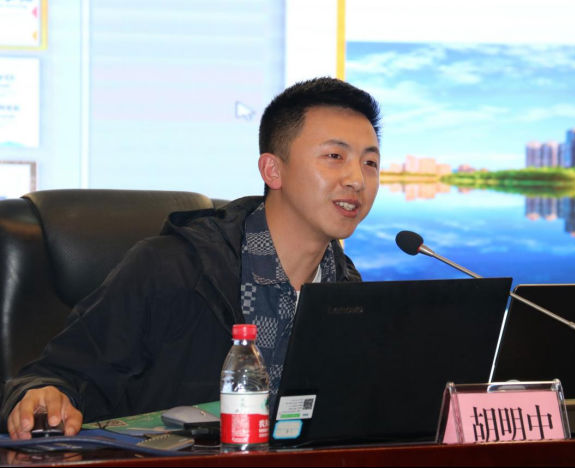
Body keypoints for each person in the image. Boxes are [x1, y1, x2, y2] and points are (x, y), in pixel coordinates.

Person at [1, 77, 381, 439]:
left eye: (370, 163)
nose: (357, 180)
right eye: (335, 156)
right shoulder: (175, 269)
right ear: (273, 170)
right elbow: (55, 378)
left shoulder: (345, 290)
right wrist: (42, 396)